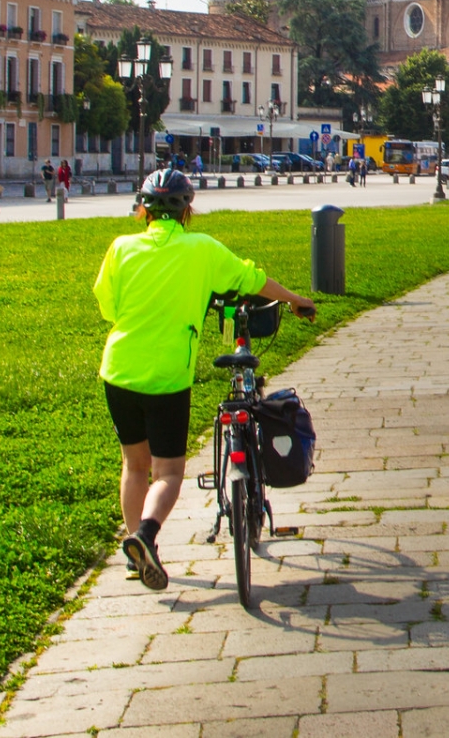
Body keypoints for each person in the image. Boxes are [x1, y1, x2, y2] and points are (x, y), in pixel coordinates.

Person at [93, 169, 316, 590]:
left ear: (142, 210)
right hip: (167, 375)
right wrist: (297, 299)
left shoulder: (120, 248)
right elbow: (254, 280)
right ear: (187, 210)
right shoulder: (202, 249)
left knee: (134, 465)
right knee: (169, 472)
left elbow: (108, 305)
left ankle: (135, 557)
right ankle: (146, 534)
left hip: (119, 369)